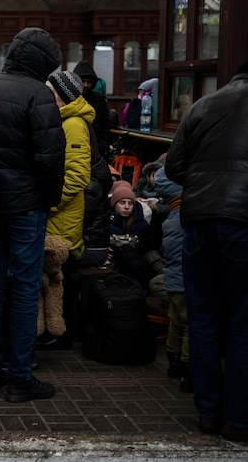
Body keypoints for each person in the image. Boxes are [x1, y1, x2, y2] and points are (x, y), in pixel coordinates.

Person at [0, 27, 65, 403]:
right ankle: (20, 378)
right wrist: (49, 199)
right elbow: (50, 157)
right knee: (25, 292)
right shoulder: (39, 93)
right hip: (26, 207)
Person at [164, 60, 248, 443]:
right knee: (243, 322)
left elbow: (176, 167)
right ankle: (238, 418)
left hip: (198, 218)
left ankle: (208, 412)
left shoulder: (203, 105)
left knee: (203, 316)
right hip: (243, 221)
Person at [39, 70, 93, 348]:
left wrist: (48, 202)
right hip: (57, 215)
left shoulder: (73, 124)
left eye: (49, 90)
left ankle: (61, 335)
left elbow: (77, 176)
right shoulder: (61, 119)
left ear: (60, 95)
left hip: (61, 217)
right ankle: (53, 332)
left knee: (59, 281)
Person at [152, 165, 189, 393]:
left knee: (176, 318)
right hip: (185, 280)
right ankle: (187, 367)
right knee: (190, 324)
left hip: (174, 280)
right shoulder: (186, 221)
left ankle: (173, 362)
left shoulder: (173, 218)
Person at [73, 60, 113, 159]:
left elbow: (105, 123)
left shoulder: (99, 99)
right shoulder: (70, 98)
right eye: (83, 81)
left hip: (97, 148)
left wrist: (102, 145)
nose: (86, 85)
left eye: (89, 82)